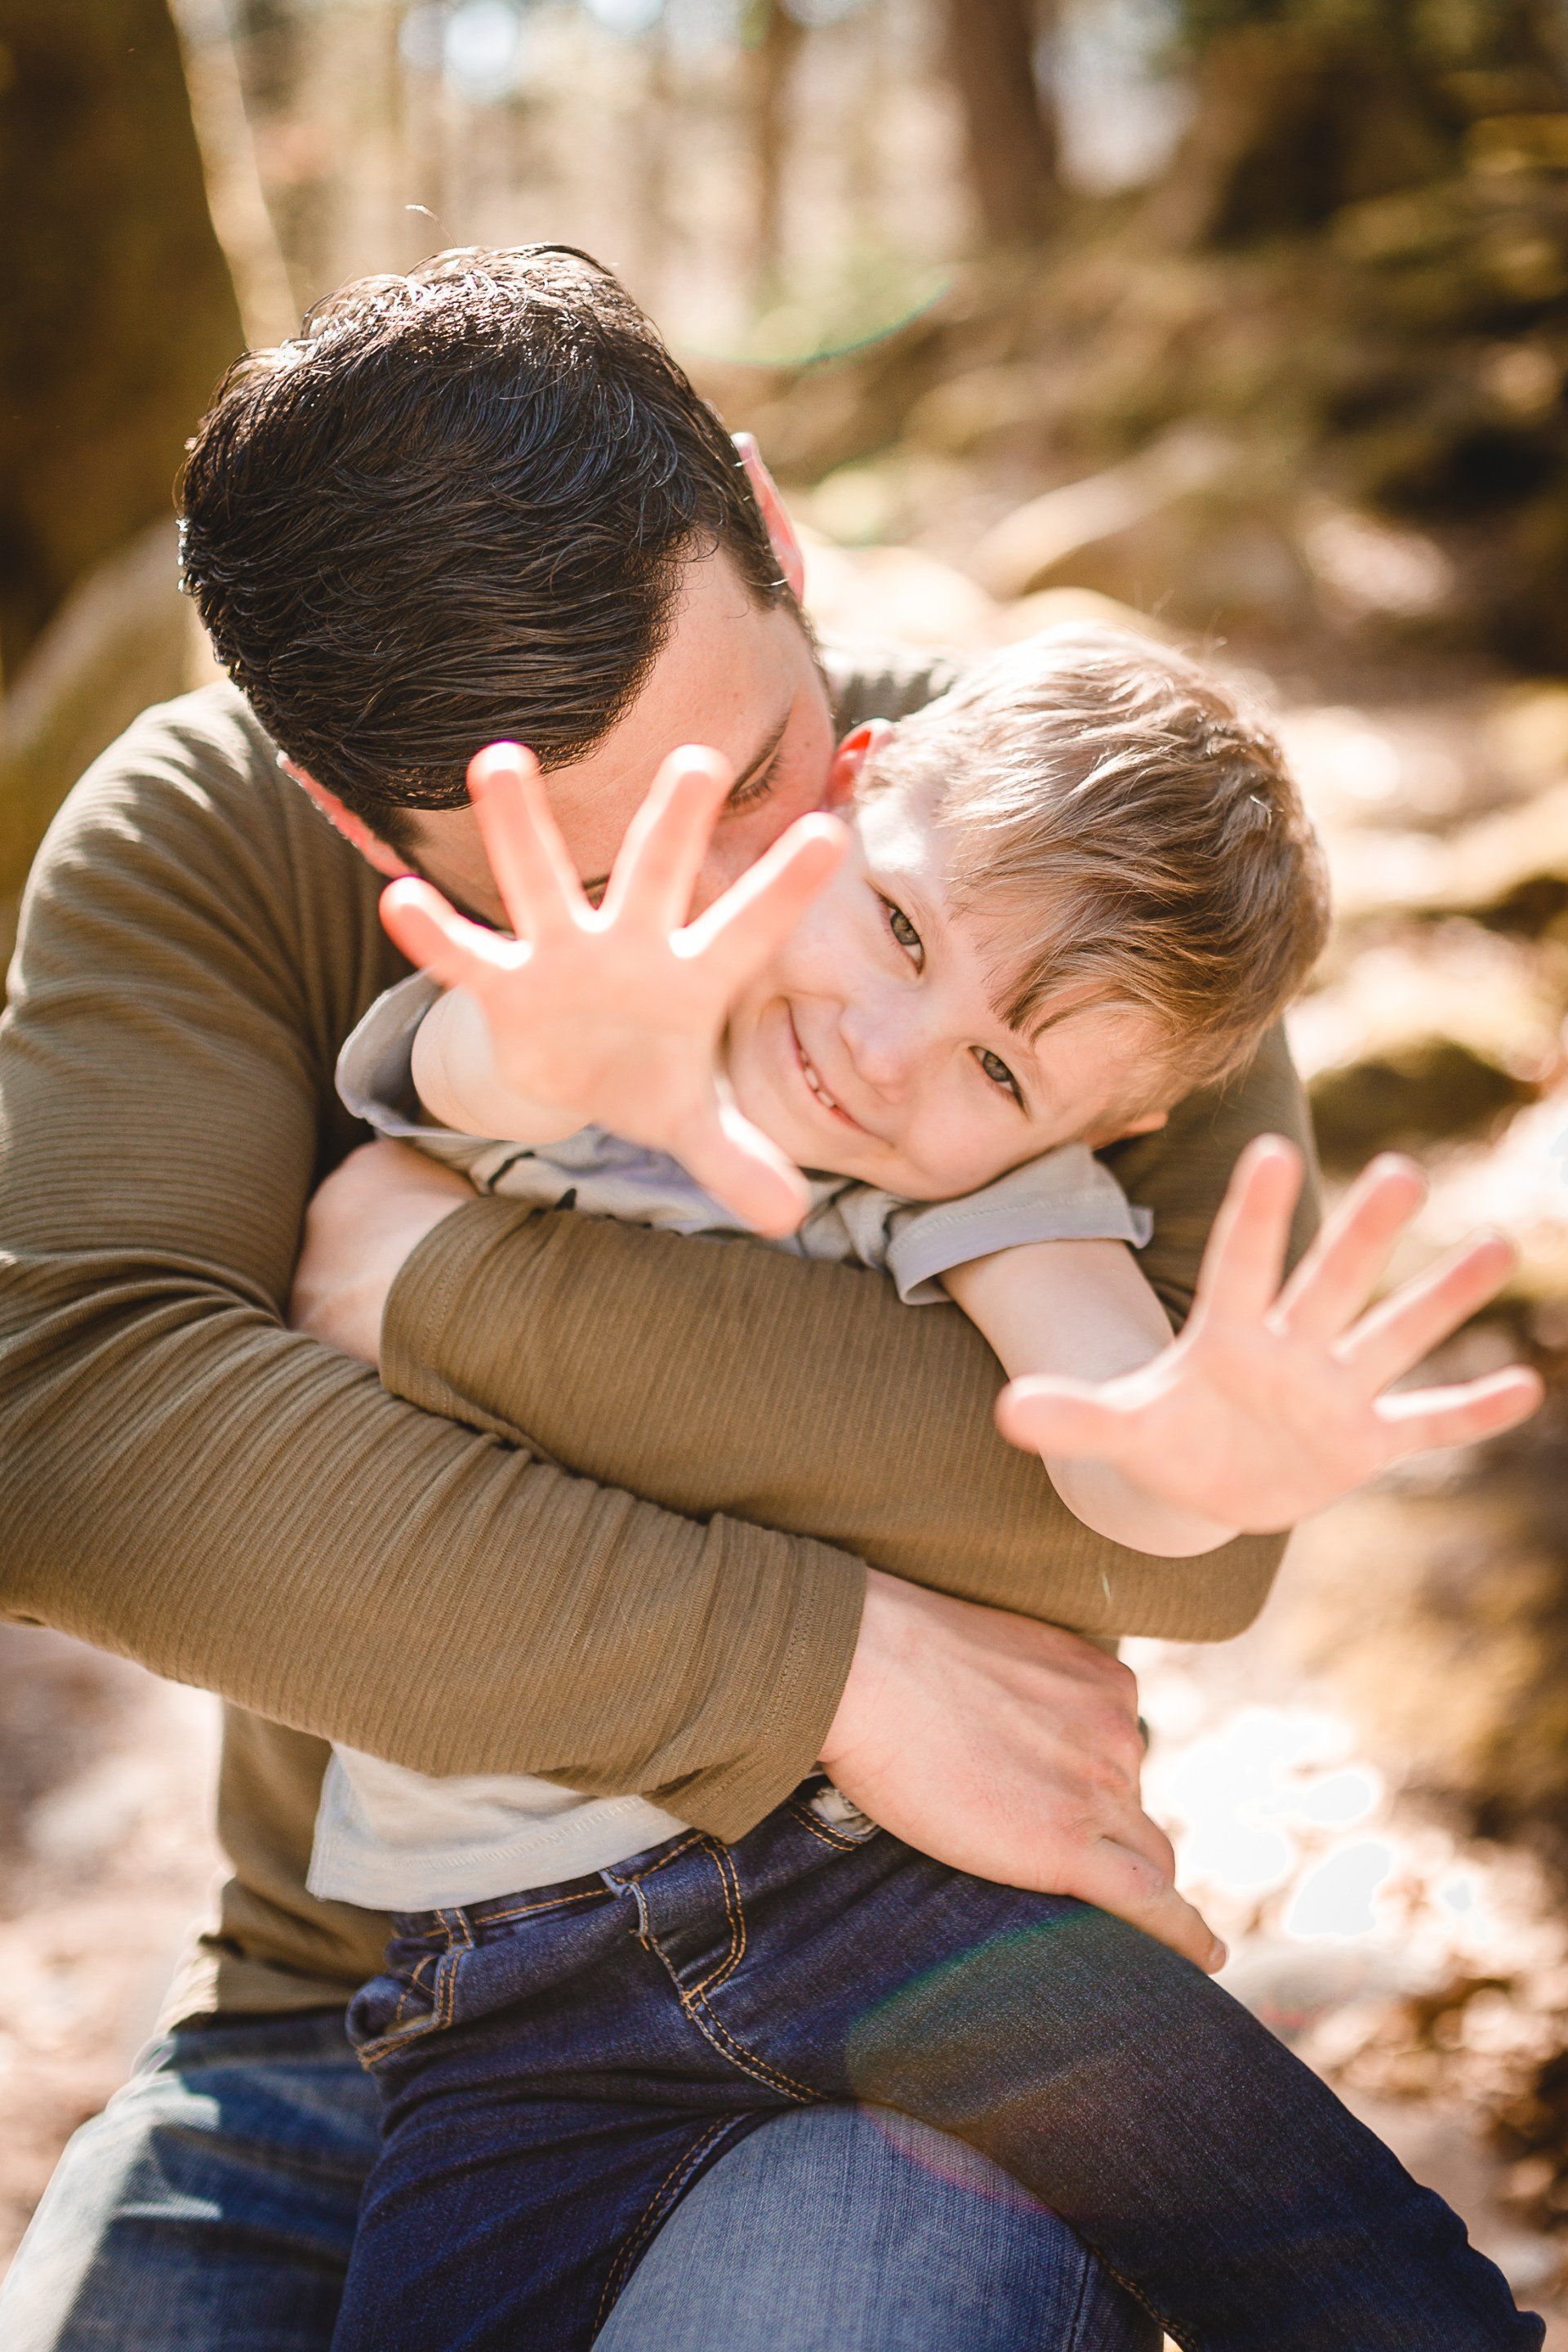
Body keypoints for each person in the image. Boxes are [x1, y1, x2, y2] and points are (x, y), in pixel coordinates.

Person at [0, 243, 1348, 2349]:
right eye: (589, 879)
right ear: (351, 811)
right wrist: (825, 1660)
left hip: (884, 1993)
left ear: (770, 524)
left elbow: (1182, 1528)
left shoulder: (1054, 837)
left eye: (754, 784)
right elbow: (74, 1440)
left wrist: (435, 1284)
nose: (730, 929)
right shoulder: (205, 834)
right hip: (324, 2012)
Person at [305, 630, 1541, 2350]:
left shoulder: (979, 1198)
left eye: (1002, 1071)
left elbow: (1110, 1410)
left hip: (895, 1901)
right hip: (503, 1980)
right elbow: (465, 1068)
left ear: (1092, 1136)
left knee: (1351, 2278)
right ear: (854, 786)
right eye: (900, 930)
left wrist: (1196, 1461)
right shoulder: (607, 1020)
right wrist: (562, 1042)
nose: (889, 1054)